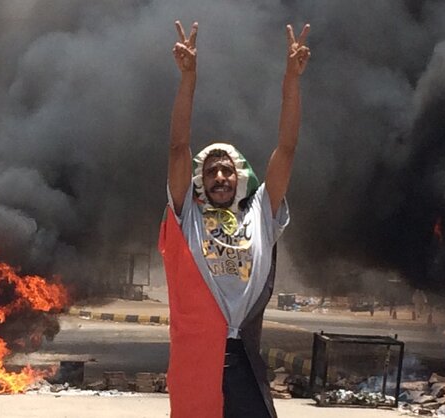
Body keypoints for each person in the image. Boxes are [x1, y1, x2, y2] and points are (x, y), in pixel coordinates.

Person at [158, 20, 310, 418]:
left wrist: (291, 80)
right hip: (196, 363)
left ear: (241, 177)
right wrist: (188, 79)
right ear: (199, 181)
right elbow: (177, 149)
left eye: (227, 169)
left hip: (245, 360)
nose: (220, 176)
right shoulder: (185, 216)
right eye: (210, 171)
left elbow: (287, 149)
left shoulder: (260, 214)